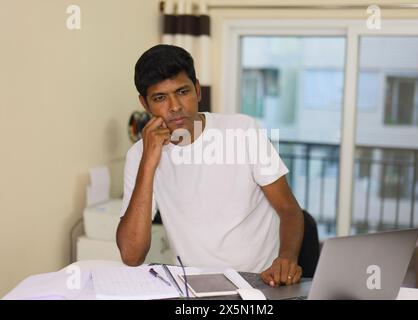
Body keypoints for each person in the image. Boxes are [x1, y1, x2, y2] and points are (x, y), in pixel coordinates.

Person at [116, 44, 305, 287]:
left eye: (182, 91)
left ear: (197, 90)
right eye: (160, 98)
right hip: (194, 288)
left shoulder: (242, 130)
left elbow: (289, 209)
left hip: (260, 282)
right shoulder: (138, 156)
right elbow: (131, 256)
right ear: (144, 103)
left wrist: (286, 258)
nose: (174, 106)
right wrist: (148, 163)